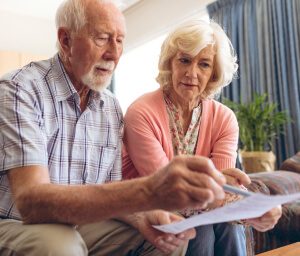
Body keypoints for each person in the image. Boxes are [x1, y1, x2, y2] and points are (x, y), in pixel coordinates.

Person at [0, 1, 232, 255]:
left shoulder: (109, 107)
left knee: (170, 237)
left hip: (82, 225)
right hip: (17, 223)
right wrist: (147, 191)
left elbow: (111, 192)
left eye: (120, 41)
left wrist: (145, 217)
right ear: (66, 40)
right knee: (62, 246)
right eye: (102, 38)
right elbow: (31, 203)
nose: (113, 53)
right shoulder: (19, 89)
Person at [122, 19, 282, 256]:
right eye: (184, 60)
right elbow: (167, 189)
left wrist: (238, 200)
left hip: (201, 212)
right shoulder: (141, 112)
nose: (192, 73)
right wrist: (250, 207)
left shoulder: (224, 119)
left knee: (224, 225)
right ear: (170, 63)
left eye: (204, 64)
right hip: (147, 209)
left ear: (214, 73)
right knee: (204, 231)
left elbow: (224, 189)